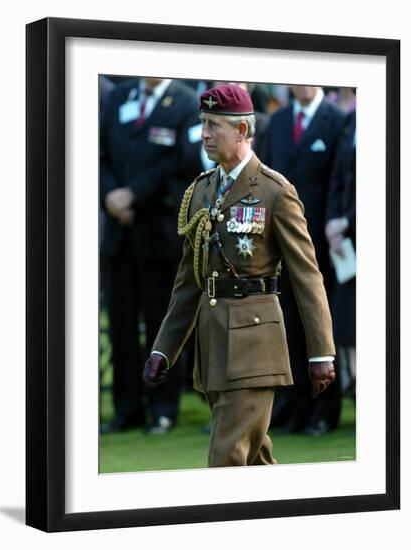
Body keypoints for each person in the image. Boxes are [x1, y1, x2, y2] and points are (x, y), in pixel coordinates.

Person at [142, 84, 336, 467]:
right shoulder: (201, 190)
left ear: (242, 131)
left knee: (226, 459)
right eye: (203, 123)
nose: (205, 134)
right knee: (254, 461)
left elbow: (307, 276)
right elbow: (189, 281)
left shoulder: (275, 191)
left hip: (255, 349)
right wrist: (164, 347)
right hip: (213, 348)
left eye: (214, 125)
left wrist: (321, 352)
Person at [100, 77, 199, 435]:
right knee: (122, 325)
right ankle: (126, 409)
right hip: (118, 232)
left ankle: (162, 407)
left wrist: (134, 195)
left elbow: (181, 164)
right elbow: (98, 154)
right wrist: (110, 195)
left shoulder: (187, 102)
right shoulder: (119, 96)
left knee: (162, 325)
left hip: (158, 233)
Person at [265, 85, 346, 435]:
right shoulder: (280, 120)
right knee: (288, 329)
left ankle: (325, 411)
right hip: (280, 244)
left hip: (318, 246)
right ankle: (296, 409)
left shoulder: (337, 120)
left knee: (320, 327)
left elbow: (338, 182)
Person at [325, 108, 356, 399]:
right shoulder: (351, 121)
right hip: (345, 246)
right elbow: (336, 177)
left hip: (372, 236)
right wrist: (333, 223)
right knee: (347, 327)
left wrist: (347, 220)